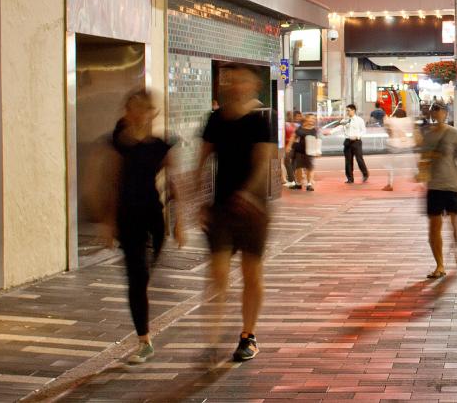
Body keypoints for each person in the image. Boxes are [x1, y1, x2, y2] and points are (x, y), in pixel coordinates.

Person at [198, 63, 276, 363]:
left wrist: (248, 192)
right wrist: (198, 201)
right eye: (230, 80)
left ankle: (248, 335)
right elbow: (202, 160)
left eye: (241, 80)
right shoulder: (215, 119)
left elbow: (263, 161)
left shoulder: (260, 120)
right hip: (221, 207)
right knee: (217, 272)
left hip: (254, 209)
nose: (234, 85)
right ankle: (214, 327)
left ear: (253, 85)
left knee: (251, 273)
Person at [103, 88, 182, 365]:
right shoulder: (118, 145)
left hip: (153, 218)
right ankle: (144, 340)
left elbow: (173, 185)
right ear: (128, 112)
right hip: (128, 219)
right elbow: (112, 184)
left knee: (144, 276)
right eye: (132, 108)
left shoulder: (161, 145)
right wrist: (108, 223)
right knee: (137, 278)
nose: (137, 114)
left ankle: (143, 327)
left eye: (143, 109)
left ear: (152, 113)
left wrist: (179, 223)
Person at [418, 102, 457, 279]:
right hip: (434, 186)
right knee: (434, 226)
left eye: (440, 110)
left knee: (455, 222)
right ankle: (439, 265)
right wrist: (421, 174)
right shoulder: (428, 135)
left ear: (446, 113)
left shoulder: (456, 134)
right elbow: (422, 160)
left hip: (452, 185)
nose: (436, 113)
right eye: (434, 110)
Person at [329, 104, 369, 184]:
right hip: (347, 142)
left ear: (353, 110)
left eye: (348, 110)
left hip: (356, 142)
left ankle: (365, 174)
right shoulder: (345, 120)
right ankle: (350, 178)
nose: (347, 112)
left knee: (359, 159)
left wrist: (357, 136)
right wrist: (330, 132)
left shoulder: (359, 120)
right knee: (348, 161)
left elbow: (363, 130)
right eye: (346, 110)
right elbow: (339, 127)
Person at [381, 105, 417, 190]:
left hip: (394, 144)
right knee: (413, 164)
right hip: (407, 143)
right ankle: (419, 182)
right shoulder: (408, 120)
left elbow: (386, 125)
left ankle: (390, 184)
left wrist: (386, 118)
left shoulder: (392, 120)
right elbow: (413, 129)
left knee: (391, 165)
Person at [289, 112, 317, 191]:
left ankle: (309, 184)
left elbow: (318, 141)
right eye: (311, 118)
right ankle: (298, 184)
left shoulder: (315, 129)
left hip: (310, 152)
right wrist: (289, 146)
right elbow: (293, 136)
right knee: (298, 168)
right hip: (300, 151)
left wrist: (318, 151)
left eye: (314, 119)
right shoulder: (300, 128)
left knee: (310, 168)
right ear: (307, 119)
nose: (313, 120)